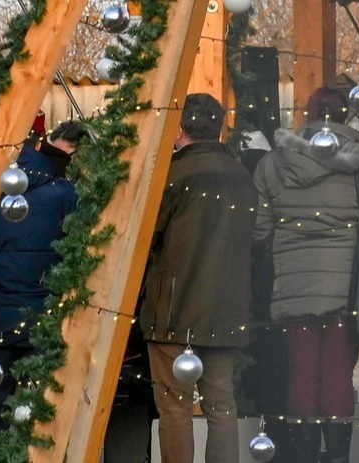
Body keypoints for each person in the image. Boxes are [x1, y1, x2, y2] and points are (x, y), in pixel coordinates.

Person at [252, 85, 359, 463]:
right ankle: (337, 457)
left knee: (301, 372)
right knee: (337, 372)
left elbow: (258, 228)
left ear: (307, 114)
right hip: (345, 284)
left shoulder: (273, 163)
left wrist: (280, 253)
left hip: (292, 283)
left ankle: (303, 456)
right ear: (344, 115)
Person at [140, 94, 256, 463]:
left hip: (173, 310)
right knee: (222, 406)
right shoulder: (242, 176)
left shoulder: (171, 175)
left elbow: (146, 238)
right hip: (226, 310)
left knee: (174, 408)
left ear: (180, 128)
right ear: (219, 127)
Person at [0, 121, 83, 463]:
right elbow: (77, 258)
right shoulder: (64, 192)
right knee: (41, 415)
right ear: (39, 142)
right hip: (42, 319)